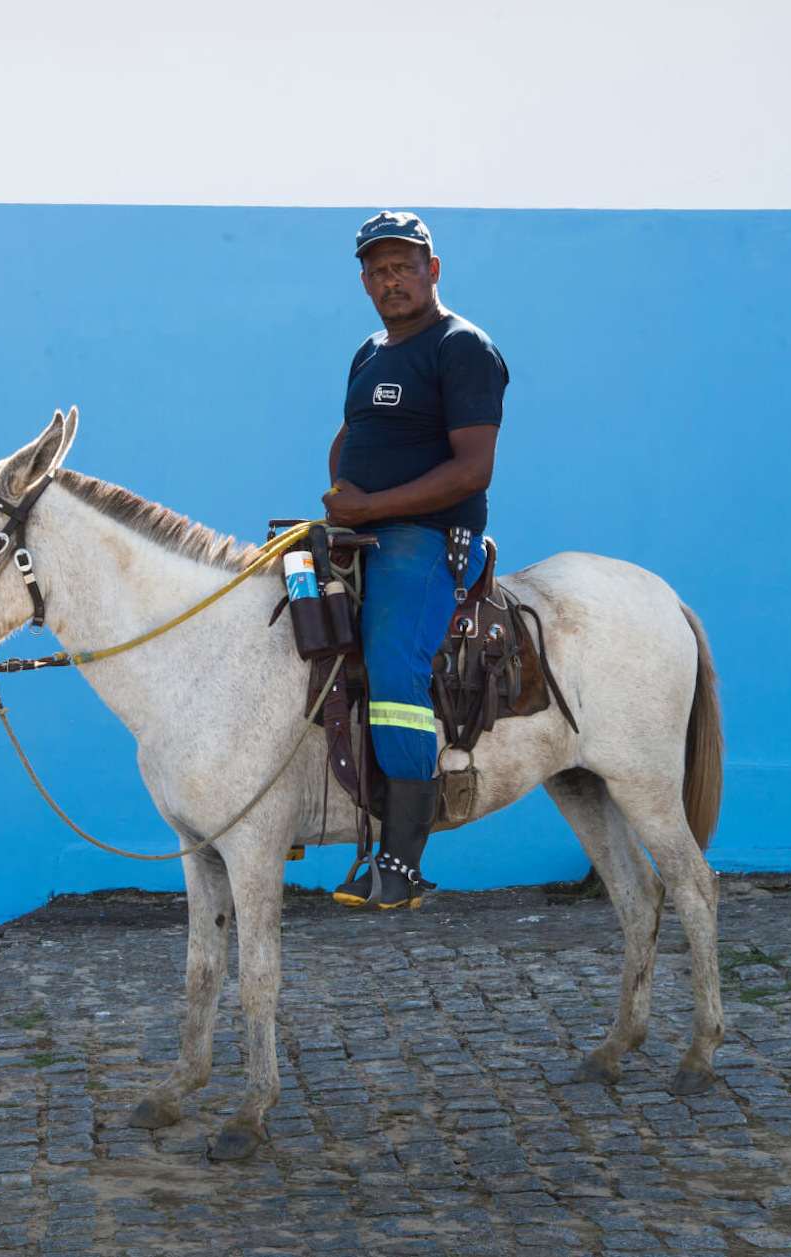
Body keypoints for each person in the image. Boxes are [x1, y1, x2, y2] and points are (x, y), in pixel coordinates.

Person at [323, 211, 509, 911]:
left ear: (433, 270)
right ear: (365, 281)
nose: (390, 279)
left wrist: (372, 507)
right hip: (361, 528)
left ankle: (402, 862)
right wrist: (345, 486)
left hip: (428, 539)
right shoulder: (370, 351)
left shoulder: (462, 348)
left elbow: (473, 470)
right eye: (378, 269)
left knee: (395, 665)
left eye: (404, 266)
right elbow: (353, 436)